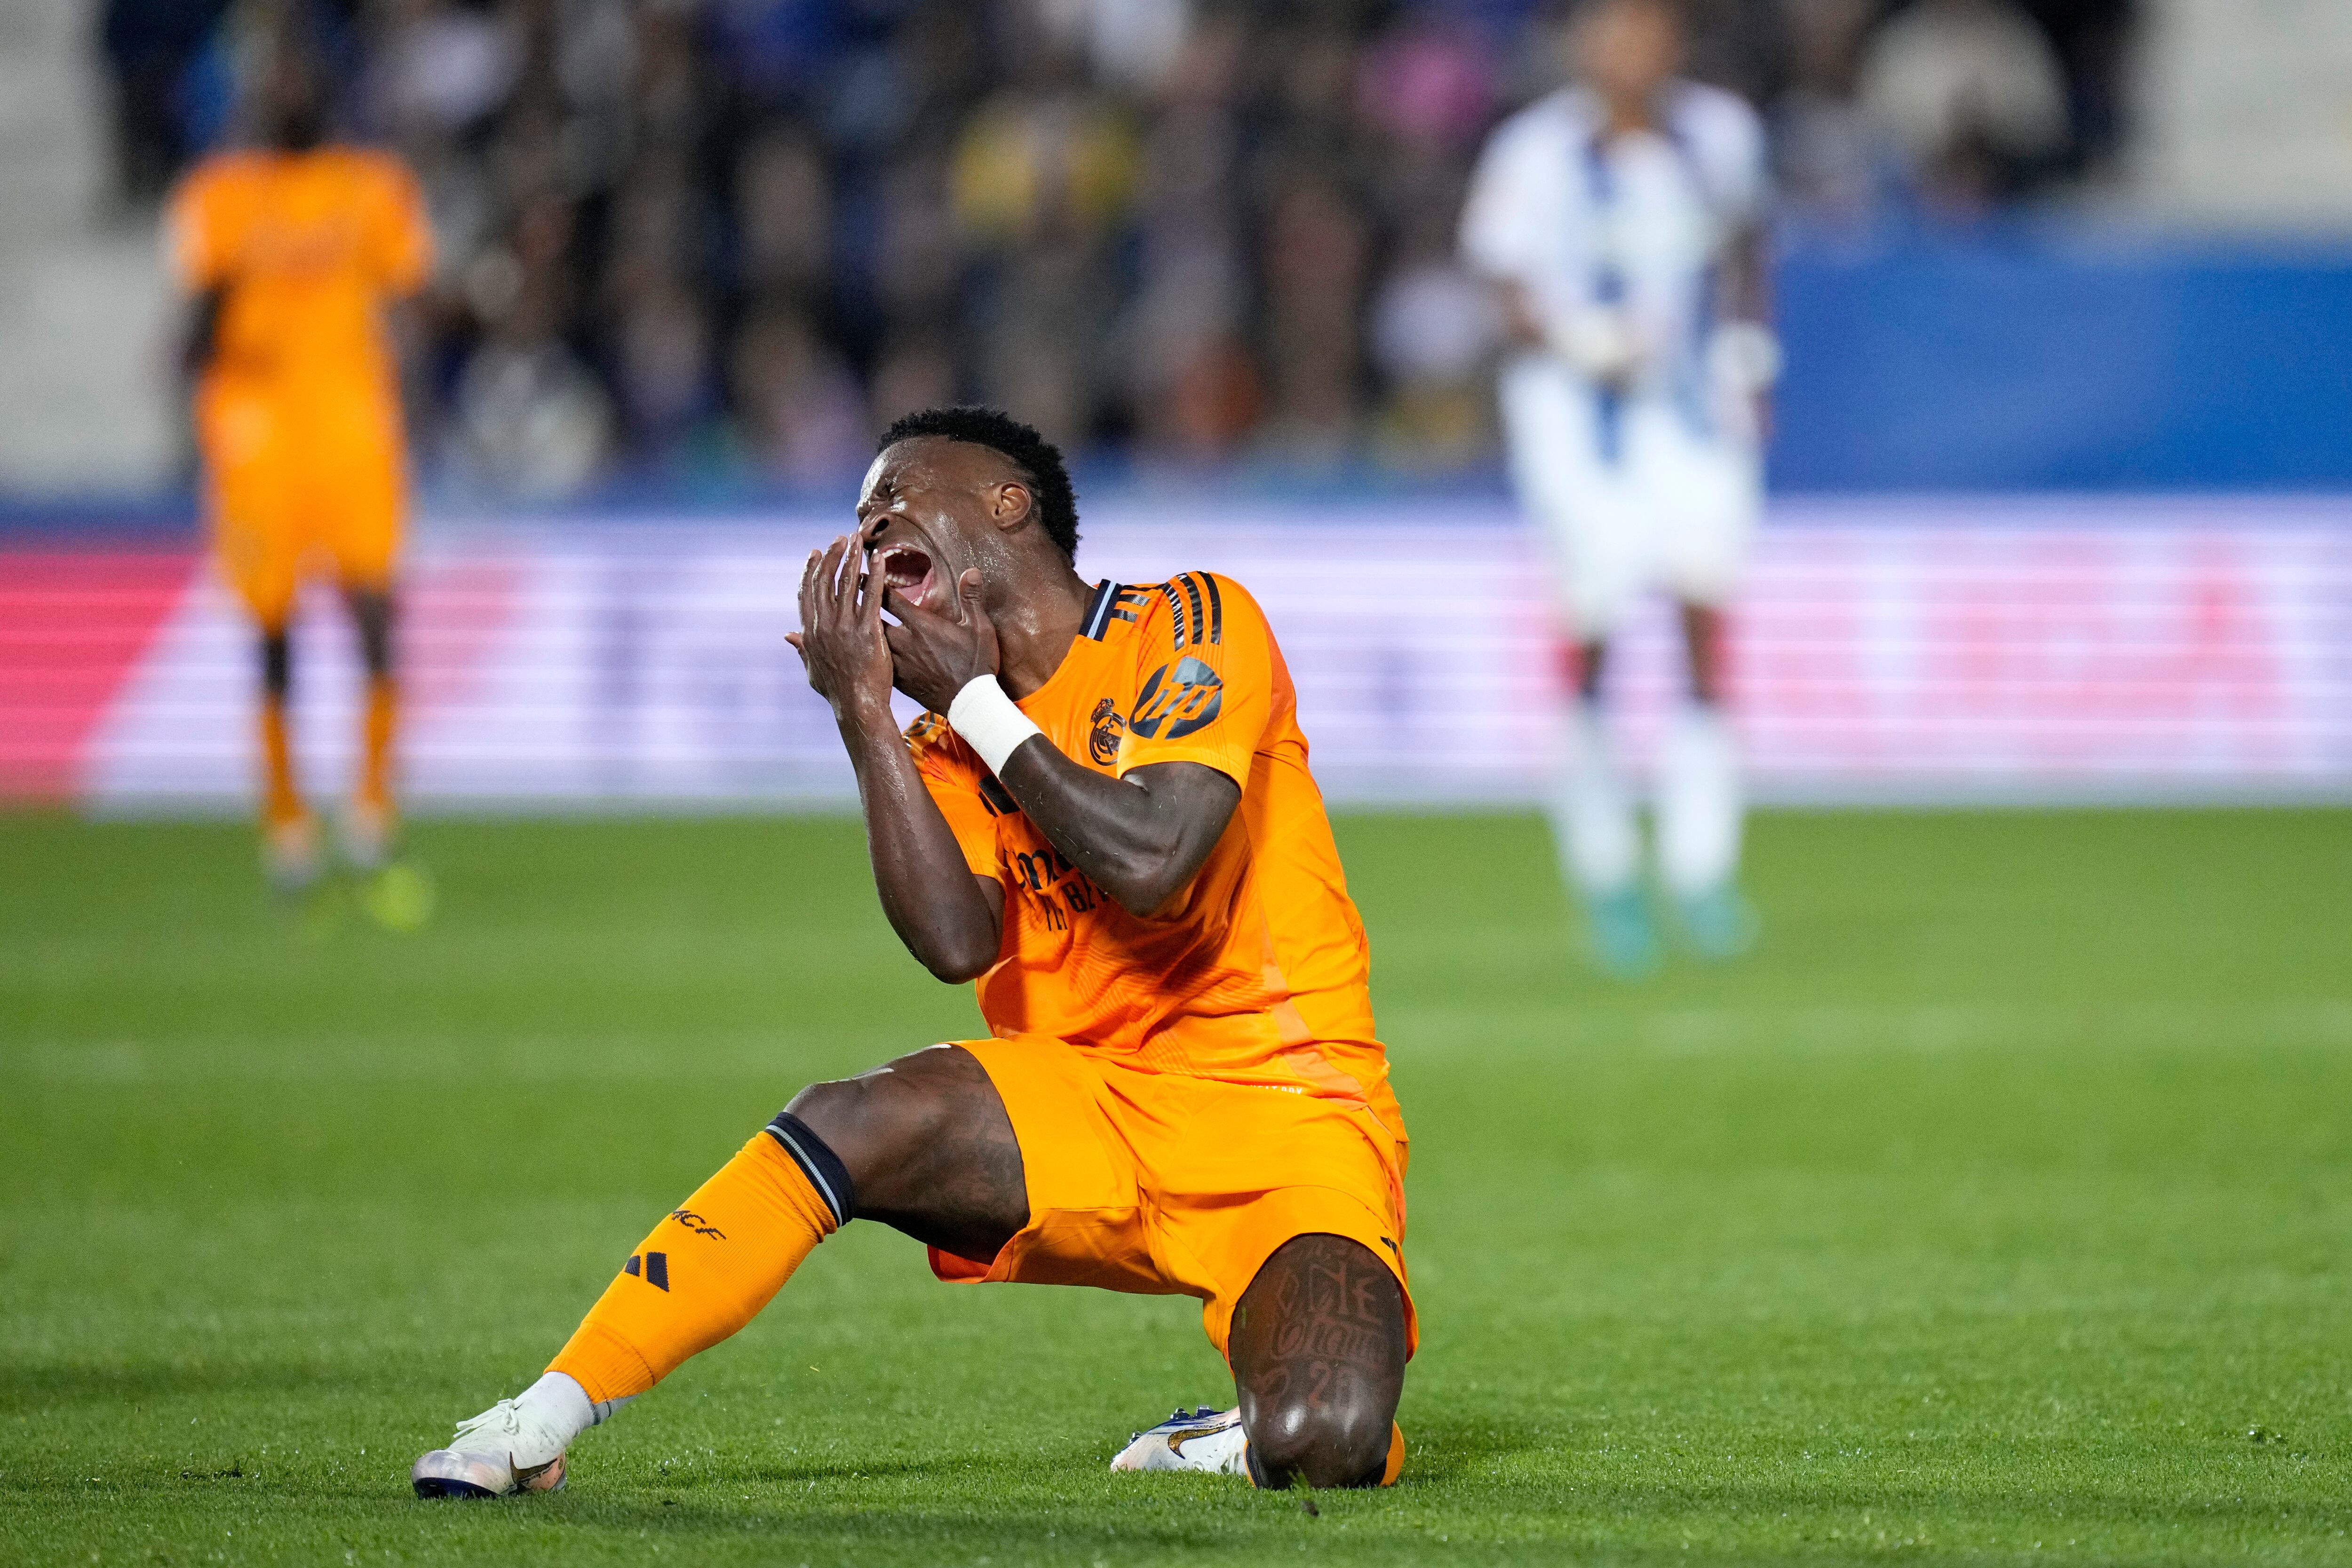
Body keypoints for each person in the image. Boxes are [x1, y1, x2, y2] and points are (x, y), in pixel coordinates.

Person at [411, 407, 1414, 1496]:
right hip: (1080, 1109)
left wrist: (974, 705)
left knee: (1325, 1442)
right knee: (850, 1114)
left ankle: (1240, 1425)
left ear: (1006, 502)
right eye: (857, 512)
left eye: (895, 493)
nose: (870, 520)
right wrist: (864, 717)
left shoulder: (1188, 621)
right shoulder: (945, 740)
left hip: (1289, 1112)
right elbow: (950, 941)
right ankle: (541, 1414)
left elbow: (1154, 858)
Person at [1459, 0, 1775, 974]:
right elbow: (1503, 282)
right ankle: (1604, 872)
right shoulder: (1533, 152)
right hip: (1575, 428)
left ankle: (1701, 867)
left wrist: (1750, 357)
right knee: (1591, 637)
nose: (1631, 52)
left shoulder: (1720, 134)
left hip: (1690, 419)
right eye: (1612, 33)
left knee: (1704, 627)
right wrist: (1571, 337)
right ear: (1582, 47)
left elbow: (1742, 249)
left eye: (1649, 32)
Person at [168, 48, 433, 891]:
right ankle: (285, 818)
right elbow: (199, 314)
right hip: (260, 438)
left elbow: (414, 292)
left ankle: (371, 807)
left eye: (302, 78)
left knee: (374, 614)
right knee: (272, 629)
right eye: (276, 81)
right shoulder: (221, 195)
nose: (290, 92)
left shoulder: (372, 186)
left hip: (352, 429)